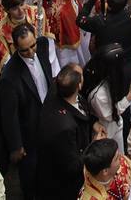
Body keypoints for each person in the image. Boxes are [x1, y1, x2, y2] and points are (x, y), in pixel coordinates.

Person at [0, 23, 59, 198]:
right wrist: (16, 145)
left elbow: (50, 78)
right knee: (30, 175)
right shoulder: (9, 75)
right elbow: (9, 115)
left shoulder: (43, 46)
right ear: (16, 48)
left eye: (33, 46)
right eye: (25, 50)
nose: (31, 52)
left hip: (49, 118)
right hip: (29, 130)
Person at [38, 64, 96, 200]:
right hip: (64, 185)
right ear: (79, 86)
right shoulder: (65, 126)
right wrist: (94, 145)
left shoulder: (61, 89)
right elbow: (73, 165)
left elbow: (82, 110)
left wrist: (94, 123)